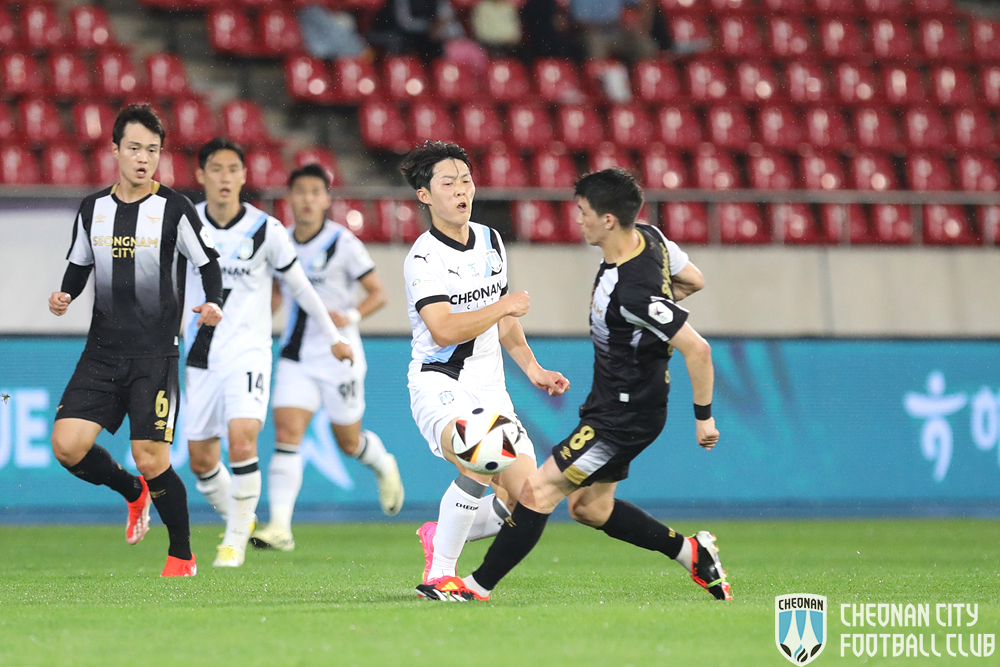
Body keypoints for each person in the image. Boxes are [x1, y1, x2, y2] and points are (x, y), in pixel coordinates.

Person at [416, 168, 732, 602]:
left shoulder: (631, 292)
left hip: (622, 416)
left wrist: (704, 418)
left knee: (537, 492)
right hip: (617, 406)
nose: (578, 220)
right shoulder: (652, 238)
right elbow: (693, 279)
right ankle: (691, 552)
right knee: (590, 508)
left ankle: (472, 587)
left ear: (607, 220)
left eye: (583, 212)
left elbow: (698, 350)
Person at [48, 104, 223, 578]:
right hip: (102, 353)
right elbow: (79, 264)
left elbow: (208, 262)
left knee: (152, 458)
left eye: (152, 150)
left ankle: (182, 555)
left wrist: (213, 302)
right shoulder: (93, 209)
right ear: (115, 150)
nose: (143, 158)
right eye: (135, 148)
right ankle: (131, 491)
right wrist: (66, 294)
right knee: (66, 446)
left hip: (154, 355)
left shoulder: (174, 208)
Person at [399, 141, 570, 593]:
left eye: (466, 180)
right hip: (440, 381)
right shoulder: (423, 258)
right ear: (424, 195)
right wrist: (502, 306)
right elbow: (443, 330)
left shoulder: (491, 240)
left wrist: (533, 369)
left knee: (530, 498)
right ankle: (441, 573)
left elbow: (504, 320)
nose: (461, 190)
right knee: (481, 447)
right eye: (448, 183)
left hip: (491, 387)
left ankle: (441, 533)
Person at [182, 139, 353, 568]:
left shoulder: (266, 229)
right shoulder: (185, 223)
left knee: (242, 440)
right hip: (200, 356)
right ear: (201, 175)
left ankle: (234, 542)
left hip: (248, 353)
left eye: (232, 169)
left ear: (244, 176)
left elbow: (301, 287)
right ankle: (241, 516)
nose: (225, 177)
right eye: (216, 169)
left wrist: (333, 335)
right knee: (201, 460)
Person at [250, 164, 403, 552]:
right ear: (289, 198)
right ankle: (280, 527)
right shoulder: (279, 241)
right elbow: (276, 295)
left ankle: (383, 462)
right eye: (300, 191)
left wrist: (350, 316)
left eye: (315, 192)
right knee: (286, 434)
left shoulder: (343, 243)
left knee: (348, 443)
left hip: (339, 355)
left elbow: (378, 293)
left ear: (326, 199)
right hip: (296, 355)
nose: (307, 199)